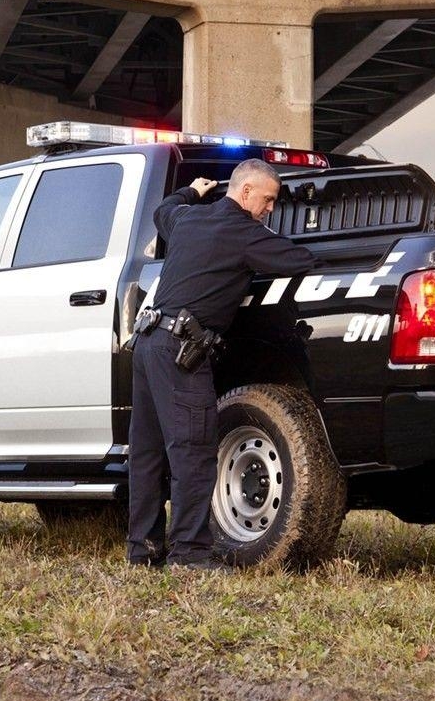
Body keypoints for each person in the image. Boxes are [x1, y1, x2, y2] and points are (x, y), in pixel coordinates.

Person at [127, 158, 318, 570]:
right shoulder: (243, 233)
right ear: (245, 191)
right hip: (182, 351)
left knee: (147, 454)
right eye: (267, 199)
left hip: (147, 344)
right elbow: (299, 260)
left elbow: (163, 211)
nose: (270, 209)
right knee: (194, 453)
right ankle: (190, 554)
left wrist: (192, 189)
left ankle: (142, 551)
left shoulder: (188, 219)